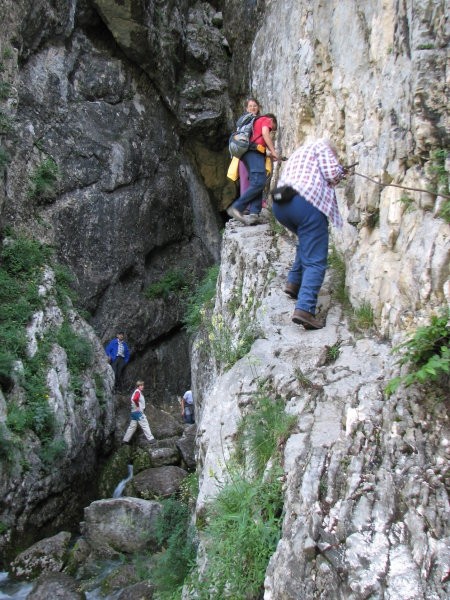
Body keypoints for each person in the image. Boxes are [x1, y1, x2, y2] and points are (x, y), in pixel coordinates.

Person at [272, 139, 347, 330]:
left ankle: (294, 283)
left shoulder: (300, 151)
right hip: (306, 204)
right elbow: (332, 173)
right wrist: (341, 171)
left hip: (281, 204)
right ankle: (305, 309)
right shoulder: (322, 147)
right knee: (316, 260)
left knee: (307, 241)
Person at [227, 113, 279, 225]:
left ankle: (254, 213)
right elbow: (265, 134)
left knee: (257, 181)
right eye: (273, 128)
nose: (271, 131)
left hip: (248, 153)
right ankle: (237, 207)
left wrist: (269, 154)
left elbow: (258, 142)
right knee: (259, 181)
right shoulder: (266, 120)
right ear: (272, 120)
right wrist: (274, 152)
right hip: (253, 153)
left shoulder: (255, 123)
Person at [238, 97, 261, 201]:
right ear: (247, 108)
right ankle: (248, 206)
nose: (253, 108)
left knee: (249, 179)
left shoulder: (243, 121)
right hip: (248, 151)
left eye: (255, 106)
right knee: (249, 179)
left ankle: (248, 205)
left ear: (258, 107)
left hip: (245, 153)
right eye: (250, 106)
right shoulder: (246, 121)